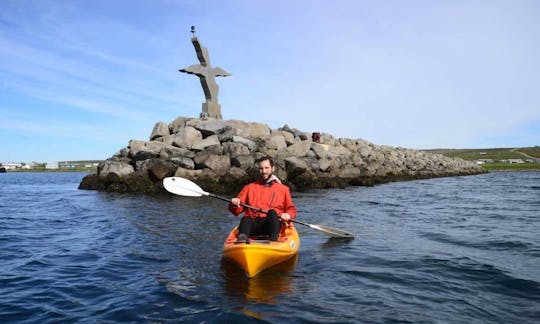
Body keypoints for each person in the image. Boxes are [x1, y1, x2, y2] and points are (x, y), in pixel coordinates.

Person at [228, 156, 297, 242]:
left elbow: (291, 209)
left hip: (271, 226)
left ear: (273, 169)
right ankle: (242, 239)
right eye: (261, 168)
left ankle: (273, 240)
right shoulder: (249, 188)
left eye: (266, 168)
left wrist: (288, 215)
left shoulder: (283, 189)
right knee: (246, 218)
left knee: (272, 213)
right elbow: (236, 211)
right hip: (254, 225)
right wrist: (234, 205)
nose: (264, 171)